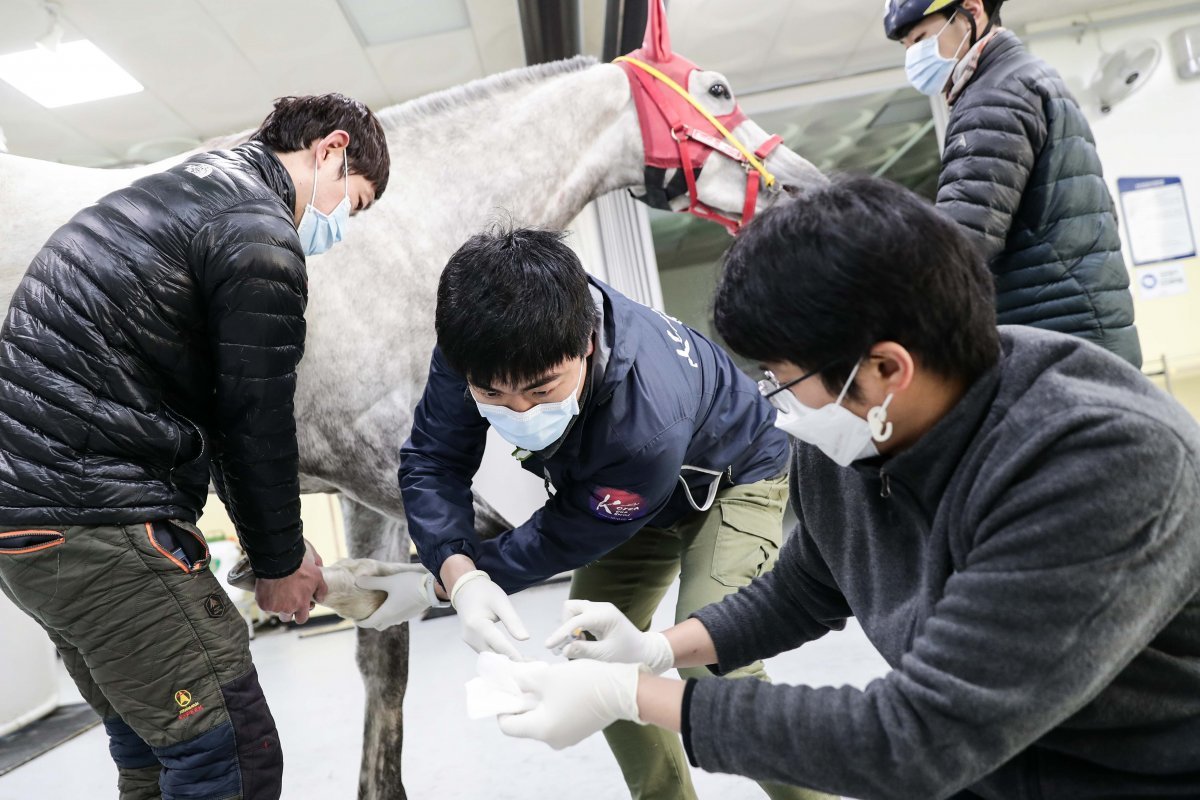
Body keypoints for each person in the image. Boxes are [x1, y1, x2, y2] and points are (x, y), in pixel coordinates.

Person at [490, 175, 1200, 800]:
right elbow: (805, 586)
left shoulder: (1098, 463)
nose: (778, 402)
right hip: (995, 766)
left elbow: (914, 740)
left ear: (886, 369)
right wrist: (658, 650)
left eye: (786, 378)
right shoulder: (855, 433)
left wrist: (633, 695)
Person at [0, 93, 389, 800]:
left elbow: (218, 409)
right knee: (229, 758)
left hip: (33, 529)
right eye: (352, 203)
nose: (339, 226)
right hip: (96, 521)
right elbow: (254, 418)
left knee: (154, 754)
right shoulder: (258, 233)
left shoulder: (180, 194)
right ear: (331, 150)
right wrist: (277, 564)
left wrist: (277, 545)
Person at [383, 227, 829, 800]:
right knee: (594, 650)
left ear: (586, 344)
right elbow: (432, 459)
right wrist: (458, 572)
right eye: (494, 396)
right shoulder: (474, 344)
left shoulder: (644, 419)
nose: (519, 411)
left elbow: (564, 536)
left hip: (731, 477)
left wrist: (435, 587)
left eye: (542, 391)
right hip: (620, 490)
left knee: (712, 657)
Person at [884, 0, 1142, 367]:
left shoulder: (994, 95)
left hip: (1056, 339)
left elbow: (963, 241)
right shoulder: (1028, 76)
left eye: (922, 38)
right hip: (1081, 329)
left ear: (972, 11)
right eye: (906, 46)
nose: (913, 56)